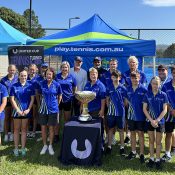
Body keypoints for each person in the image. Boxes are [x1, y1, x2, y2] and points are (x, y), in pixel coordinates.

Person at [143, 76, 168, 170]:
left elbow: (165, 109)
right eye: (153, 83)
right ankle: (151, 159)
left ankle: (157, 160)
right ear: (151, 84)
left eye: (157, 84)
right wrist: (151, 120)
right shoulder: (147, 94)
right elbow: (144, 109)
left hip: (160, 122)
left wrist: (157, 120)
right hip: (149, 121)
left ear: (160, 84)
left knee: (158, 142)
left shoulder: (163, 95)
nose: (155, 85)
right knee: (151, 141)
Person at [122, 56, 147, 145]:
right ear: (128, 64)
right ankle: (128, 136)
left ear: (137, 64)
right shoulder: (125, 74)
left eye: (134, 62)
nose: (132, 64)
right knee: (129, 118)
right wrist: (126, 99)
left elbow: (143, 88)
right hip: (129, 99)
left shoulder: (142, 74)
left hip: (139, 101)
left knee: (139, 120)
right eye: (130, 62)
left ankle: (139, 138)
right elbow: (124, 86)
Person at [10, 70, 35, 156]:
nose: (23, 77)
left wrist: (28, 109)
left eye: (25, 76)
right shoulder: (14, 86)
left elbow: (32, 99)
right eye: (22, 75)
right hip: (17, 112)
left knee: (24, 129)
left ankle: (23, 148)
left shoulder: (30, 86)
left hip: (25, 112)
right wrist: (17, 110)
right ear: (19, 76)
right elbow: (12, 99)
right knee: (16, 130)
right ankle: (16, 148)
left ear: (27, 76)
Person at [38, 68, 62, 155]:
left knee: (51, 128)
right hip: (43, 109)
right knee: (43, 128)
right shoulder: (42, 84)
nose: (48, 76)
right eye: (47, 74)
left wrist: (56, 104)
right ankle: (44, 145)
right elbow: (39, 94)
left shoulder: (57, 84)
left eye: (50, 74)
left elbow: (60, 95)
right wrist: (40, 104)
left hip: (53, 109)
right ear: (45, 75)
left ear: (53, 75)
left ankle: (50, 145)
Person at [125, 72, 147, 163]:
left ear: (140, 78)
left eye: (136, 78)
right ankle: (133, 151)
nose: (134, 80)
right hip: (131, 116)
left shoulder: (144, 89)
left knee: (140, 134)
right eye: (133, 78)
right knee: (132, 133)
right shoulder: (128, 88)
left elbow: (146, 104)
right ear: (130, 79)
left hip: (140, 116)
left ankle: (141, 154)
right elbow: (126, 100)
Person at [105, 70, 127, 155]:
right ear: (111, 77)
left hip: (120, 113)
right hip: (111, 113)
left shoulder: (123, 88)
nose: (115, 79)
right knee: (110, 129)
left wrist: (121, 108)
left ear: (120, 78)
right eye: (113, 77)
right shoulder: (109, 87)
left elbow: (125, 101)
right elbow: (107, 99)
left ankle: (122, 147)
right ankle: (109, 146)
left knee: (121, 129)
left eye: (117, 77)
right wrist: (109, 107)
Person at [84, 67, 106, 150]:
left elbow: (103, 99)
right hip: (87, 110)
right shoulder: (87, 84)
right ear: (89, 75)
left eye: (95, 74)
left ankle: (101, 145)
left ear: (97, 75)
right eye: (91, 74)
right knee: (89, 128)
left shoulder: (101, 86)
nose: (93, 75)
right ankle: (91, 144)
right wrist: (83, 108)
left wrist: (102, 110)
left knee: (99, 128)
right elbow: (84, 97)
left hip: (97, 110)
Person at [1, 64, 18, 142]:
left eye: (13, 70)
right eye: (10, 70)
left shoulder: (17, 78)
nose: (12, 71)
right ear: (8, 70)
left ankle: (11, 134)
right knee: (6, 118)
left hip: (14, 101)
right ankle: (6, 134)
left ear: (15, 70)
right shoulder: (3, 80)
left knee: (12, 118)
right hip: (6, 102)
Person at [161, 65, 175, 162]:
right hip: (170, 114)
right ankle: (167, 153)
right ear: (172, 73)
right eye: (174, 72)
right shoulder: (166, 86)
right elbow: (164, 100)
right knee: (169, 133)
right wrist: (171, 109)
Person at [27, 64, 39, 138]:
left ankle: (34, 131)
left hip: (35, 99)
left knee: (35, 115)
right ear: (28, 70)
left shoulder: (38, 78)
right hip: (26, 100)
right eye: (30, 69)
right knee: (28, 116)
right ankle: (28, 131)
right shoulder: (25, 77)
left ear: (36, 69)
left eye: (33, 69)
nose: (32, 71)